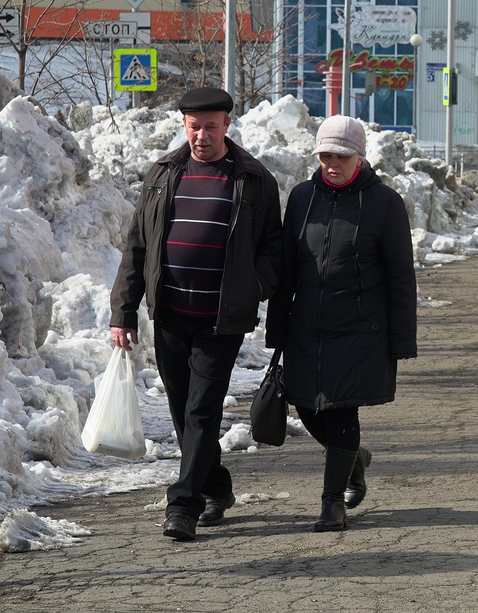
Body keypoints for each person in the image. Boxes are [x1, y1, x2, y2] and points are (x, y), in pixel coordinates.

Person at [109, 86, 283, 542]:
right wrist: (122, 311)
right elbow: (137, 245)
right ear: (184, 126)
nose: (202, 135)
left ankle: (182, 504)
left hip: (220, 319)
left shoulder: (253, 179)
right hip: (169, 312)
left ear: (227, 124)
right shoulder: (164, 172)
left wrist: (254, 287)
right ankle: (217, 487)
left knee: (202, 412)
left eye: (210, 125)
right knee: (183, 412)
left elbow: (274, 249)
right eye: (194, 126)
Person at [265, 116, 417, 532]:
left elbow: (402, 275)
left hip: (360, 329)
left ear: (360, 157)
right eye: (326, 155)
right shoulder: (301, 198)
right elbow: (288, 268)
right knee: (307, 406)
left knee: (341, 411)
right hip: (306, 326)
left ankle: (332, 503)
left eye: (342, 156)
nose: (333, 163)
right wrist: (276, 329)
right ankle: (353, 459)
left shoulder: (385, 203)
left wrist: (401, 338)